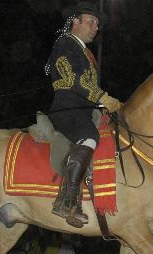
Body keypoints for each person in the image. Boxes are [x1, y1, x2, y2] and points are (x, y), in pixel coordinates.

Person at [44, 1, 122, 228]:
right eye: (91, 22)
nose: (95, 27)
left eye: (97, 24)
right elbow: (74, 80)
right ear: (75, 22)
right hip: (67, 109)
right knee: (89, 136)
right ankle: (66, 201)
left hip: (84, 110)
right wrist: (103, 98)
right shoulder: (65, 44)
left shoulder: (85, 52)